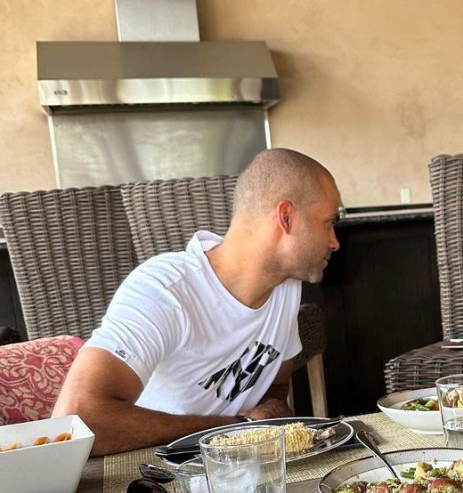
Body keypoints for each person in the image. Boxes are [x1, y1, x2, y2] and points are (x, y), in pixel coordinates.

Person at [53, 148, 341, 456]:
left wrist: (269, 410)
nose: (335, 241)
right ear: (286, 217)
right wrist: (234, 426)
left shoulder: (286, 286)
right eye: (328, 223)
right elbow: (76, 421)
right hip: (148, 470)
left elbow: (274, 386)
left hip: (237, 468)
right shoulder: (164, 290)